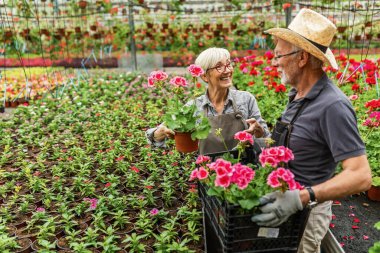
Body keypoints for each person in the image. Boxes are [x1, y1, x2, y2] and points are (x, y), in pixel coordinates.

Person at [250, 9, 372, 253]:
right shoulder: (298, 94)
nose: (275, 62)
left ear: (302, 58)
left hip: (306, 216)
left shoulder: (332, 106)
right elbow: (300, 144)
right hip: (286, 206)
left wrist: (302, 197)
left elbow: (361, 176)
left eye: (279, 55)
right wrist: (262, 139)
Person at [146, 47, 270, 155]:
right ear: (204, 76)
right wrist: (159, 133)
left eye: (228, 64)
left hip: (243, 172)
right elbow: (152, 137)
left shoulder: (246, 99)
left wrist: (259, 132)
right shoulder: (193, 107)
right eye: (219, 67)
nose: (227, 70)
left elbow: (267, 140)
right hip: (208, 174)